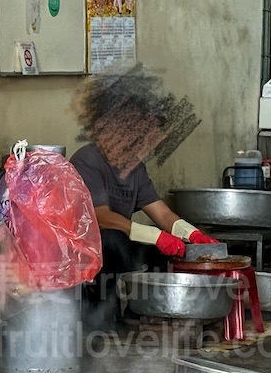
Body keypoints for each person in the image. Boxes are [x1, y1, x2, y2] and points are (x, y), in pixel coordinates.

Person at [70, 115, 217, 329]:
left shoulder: (135, 168)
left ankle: (144, 315)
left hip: (121, 239)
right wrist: (155, 236)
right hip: (85, 243)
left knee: (160, 254)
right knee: (114, 243)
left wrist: (192, 234)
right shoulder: (88, 160)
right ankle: (101, 321)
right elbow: (100, 216)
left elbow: (162, 214)